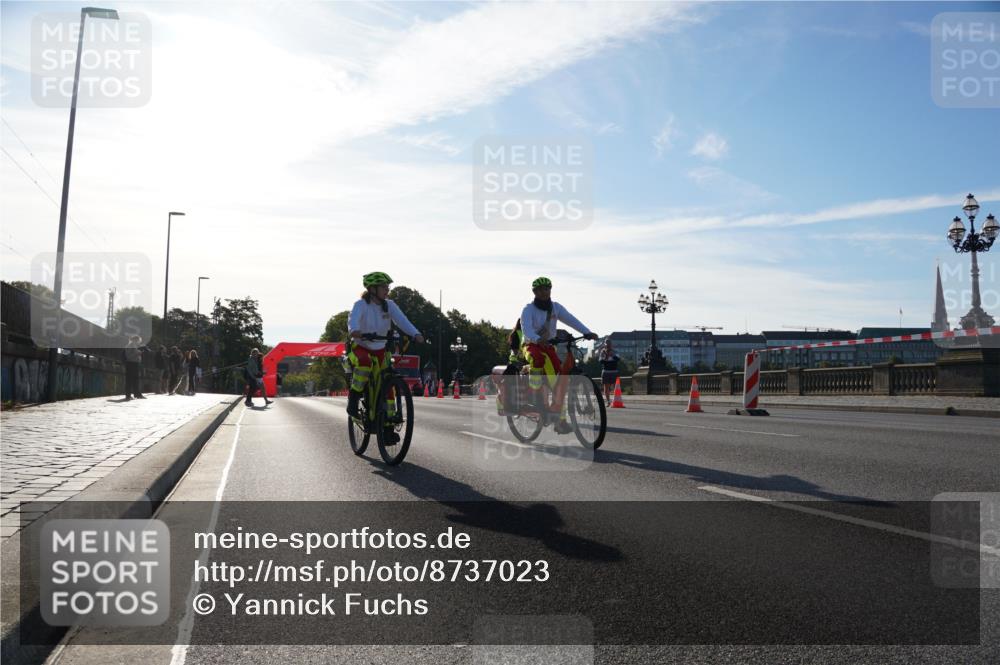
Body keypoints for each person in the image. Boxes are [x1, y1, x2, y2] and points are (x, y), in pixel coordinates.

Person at [346, 272, 424, 444]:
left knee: (389, 386)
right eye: (383, 287)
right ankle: (354, 398)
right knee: (365, 365)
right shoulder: (361, 305)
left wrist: (415, 334)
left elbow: (402, 320)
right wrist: (354, 330)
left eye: (387, 287)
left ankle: (387, 428)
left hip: (381, 349)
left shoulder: (389, 305)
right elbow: (353, 321)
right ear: (372, 289)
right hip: (361, 346)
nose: (387, 290)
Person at [519, 276, 598, 434]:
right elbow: (526, 329)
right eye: (540, 290)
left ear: (550, 290)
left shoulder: (555, 308)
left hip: (549, 347)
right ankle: (533, 395)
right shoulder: (528, 309)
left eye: (547, 289)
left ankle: (560, 422)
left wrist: (587, 332)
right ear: (535, 292)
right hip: (531, 345)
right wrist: (537, 339)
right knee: (537, 359)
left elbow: (571, 319)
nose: (544, 292)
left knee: (558, 383)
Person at [598, 340, 621, 406]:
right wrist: (606, 356)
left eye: (609, 344)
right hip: (606, 371)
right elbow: (601, 361)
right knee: (606, 387)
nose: (608, 345)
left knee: (615, 387)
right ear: (605, 345)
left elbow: (618, 359)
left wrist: (612, 355)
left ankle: (615, 400)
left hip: (614, 371)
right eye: (607, 344)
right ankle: (608, 401)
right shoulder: (603, 352)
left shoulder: (615, 351)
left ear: (611, 345)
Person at [123, 335, 146, 400]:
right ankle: (128, 395)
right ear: (135, 340)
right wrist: (138, 353)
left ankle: (137, 394)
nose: (139, 342)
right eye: (138, 341)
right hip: (131, 364)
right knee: (129, 380)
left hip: (135, 364)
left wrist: (138, 353)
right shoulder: (129, 346)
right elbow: (128, 357)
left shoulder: (134, 346)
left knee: (136, 380)